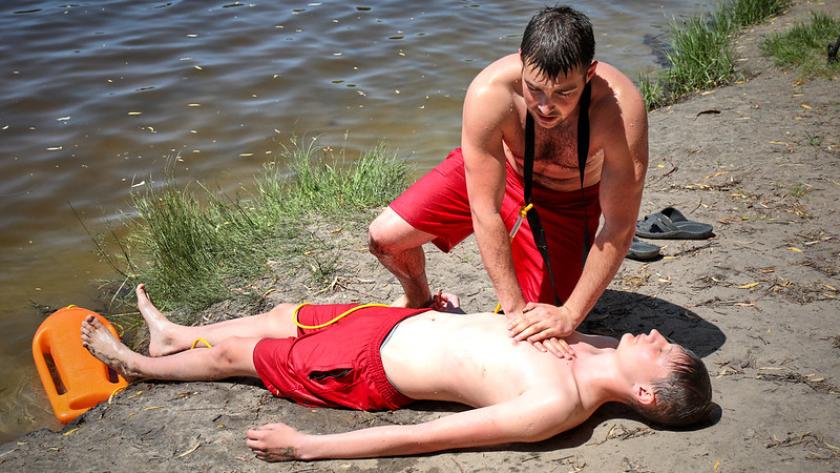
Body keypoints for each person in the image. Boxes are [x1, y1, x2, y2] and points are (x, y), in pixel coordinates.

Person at [81, 285, 711, 462]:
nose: (657, 335)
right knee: (280, 316)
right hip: (395, 322)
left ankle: (139, 367)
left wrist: (307, 446)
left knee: (239, 357)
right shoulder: (598, 344)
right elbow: (505, 326)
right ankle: (172, 337)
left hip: (366, 368)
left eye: (663, 351)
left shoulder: (556, 405)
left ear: (644, 392)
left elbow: (425, 438)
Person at [367, 6, 648, 358]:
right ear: (521, 61)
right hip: (502, 173)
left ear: (589, 74)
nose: (545, 106)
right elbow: (484, 209)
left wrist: (570, 314)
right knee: (384, 238)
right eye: (535, 89)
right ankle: (420, 299)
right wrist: (513, 308)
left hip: (566, 201)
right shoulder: (491, 92)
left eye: (564, 92)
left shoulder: (620, 110)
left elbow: (619, 226)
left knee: (539, 335)